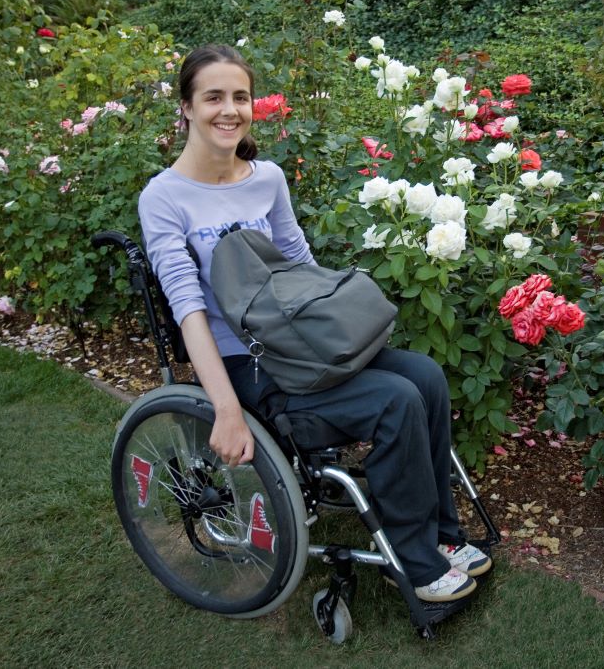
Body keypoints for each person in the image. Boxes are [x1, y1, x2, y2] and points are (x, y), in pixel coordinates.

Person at [137, 44, 491, 603]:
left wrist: (344, 326)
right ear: (185, 107)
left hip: (299, 346)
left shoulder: (267, 177)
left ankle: (443, 536)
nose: (229, 110)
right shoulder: (165, 198)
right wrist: (226, 410)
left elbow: (300, 266)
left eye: (240, 97)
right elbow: (189, 310)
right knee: (396, 400)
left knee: (424, 376)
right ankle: (417, 564)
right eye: (213, 97)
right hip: (246, 365)